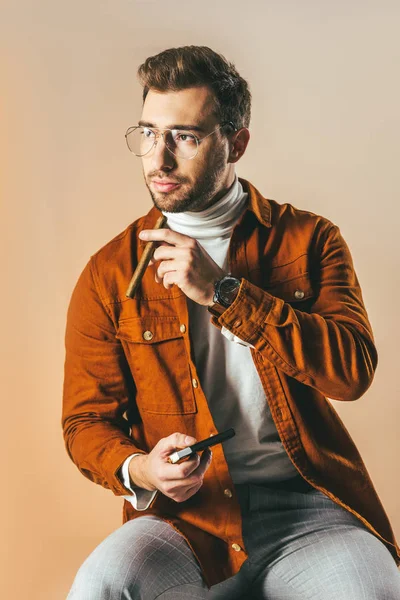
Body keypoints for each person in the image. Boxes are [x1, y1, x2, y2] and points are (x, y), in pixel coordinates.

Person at [62, 46, 400, 599]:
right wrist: (143, 469)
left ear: (236, 142)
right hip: (186, 519)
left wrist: (225, 293)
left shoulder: (310, 240)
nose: (159, 160)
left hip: (309, 507)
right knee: (102, 585)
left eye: (185, 138)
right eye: (148, 133)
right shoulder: (109, 273)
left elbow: (352, 372)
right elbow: (84, 423)